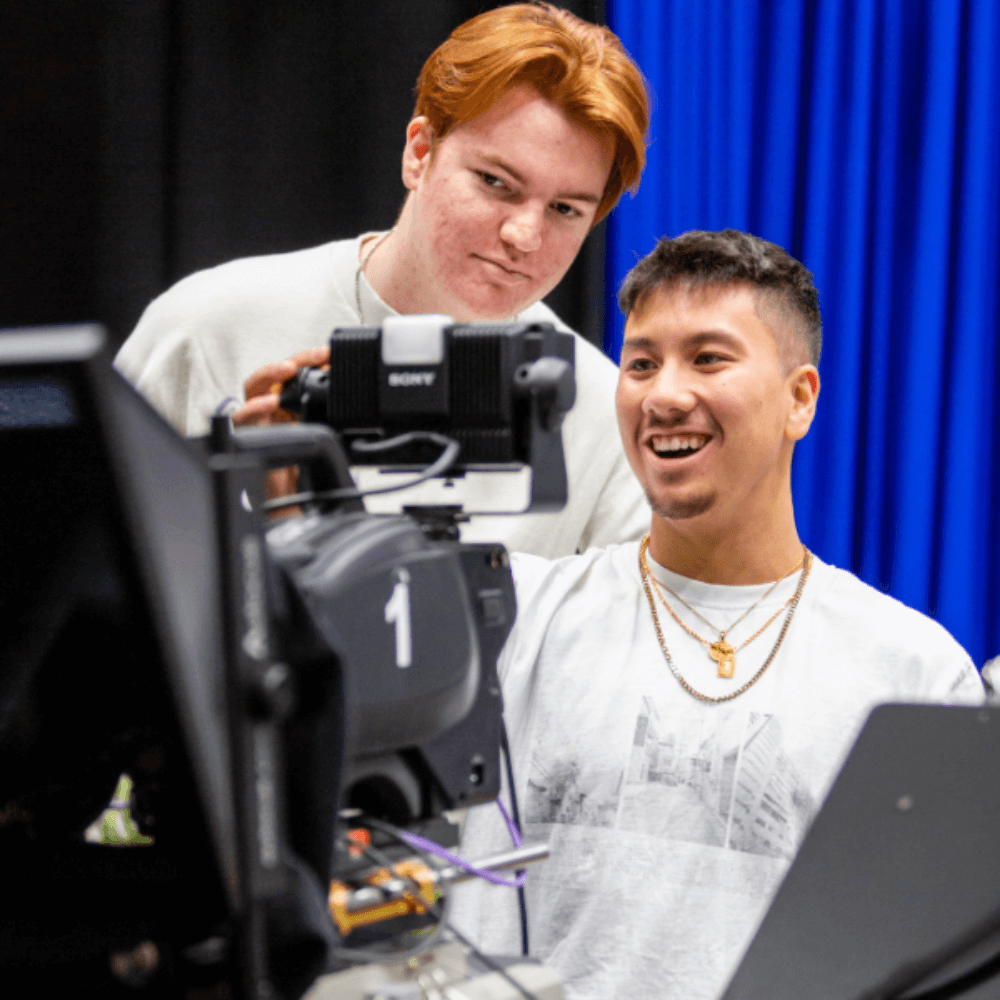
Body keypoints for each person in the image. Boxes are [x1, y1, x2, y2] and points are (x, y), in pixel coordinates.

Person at [451, 230, 985, 1000]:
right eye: (641, 362)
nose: (664, 394)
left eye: (708, 358)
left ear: (800, 397)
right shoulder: (516, 615)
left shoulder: (911, 669)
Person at [113, 2, 651, 559]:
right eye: (496, 182)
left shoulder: (604, 416)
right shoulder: (208, 328)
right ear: (420, 152)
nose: (524, 235)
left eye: (564, 210)